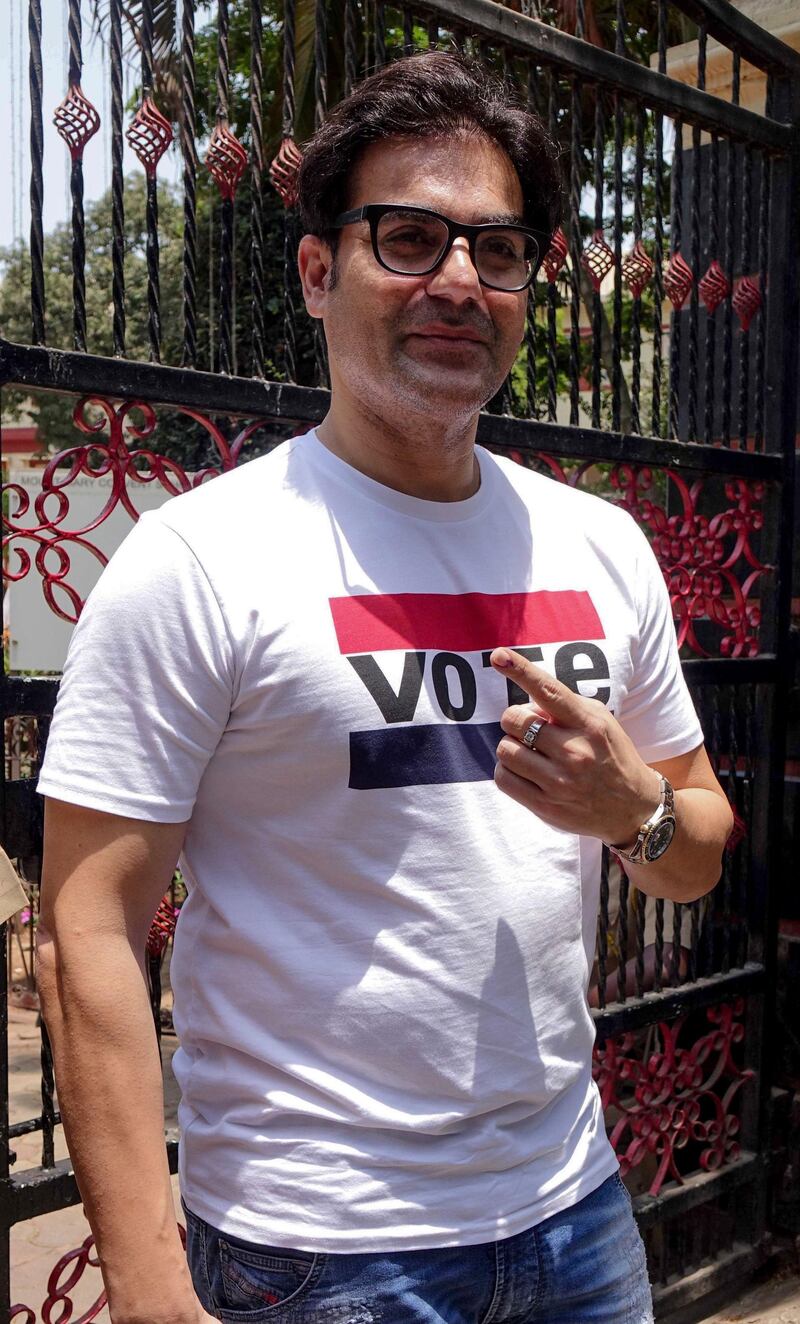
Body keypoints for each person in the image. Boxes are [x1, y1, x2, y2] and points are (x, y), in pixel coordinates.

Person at [36, 51, 733, 1324]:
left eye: (497, 249)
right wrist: (145, 1283)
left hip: (574, 1212)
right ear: (319, 272)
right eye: (408, 239)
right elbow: (87, 923)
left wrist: (629, 808)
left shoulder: (598, 545)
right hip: (318, 1254)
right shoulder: (203, 559)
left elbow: (692, 851)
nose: (457, 281)